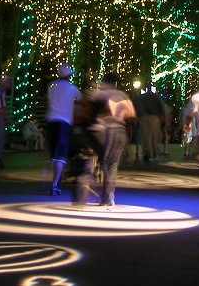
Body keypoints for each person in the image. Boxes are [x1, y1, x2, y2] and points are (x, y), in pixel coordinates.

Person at [80, 73, 136, 207]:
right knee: (113, 164)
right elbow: (132, 115)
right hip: (120, 130)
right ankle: (108, 196)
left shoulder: (100, 94)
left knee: (104, 162)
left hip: (106, 131)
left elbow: (86, 106)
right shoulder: (123, 96)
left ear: (104, 82)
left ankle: (105, 196)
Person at [46, 64, 82, 195]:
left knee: (54, 155)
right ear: (70, 75)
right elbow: (80, 102)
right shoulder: (73, 88)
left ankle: (56, 178)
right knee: (60, 155)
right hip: (64, 122)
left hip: (51, 121)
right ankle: (55, 183)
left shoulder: (51, 86)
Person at [133, 81, 165, 163]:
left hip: (143, 117)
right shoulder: (155, 96)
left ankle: (146, 154)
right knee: (154, 136)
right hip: (154, 117)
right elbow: (161, 107)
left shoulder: (140, 97)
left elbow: (136, 107)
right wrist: (162, 117)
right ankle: (154, 153)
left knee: (145, 136)